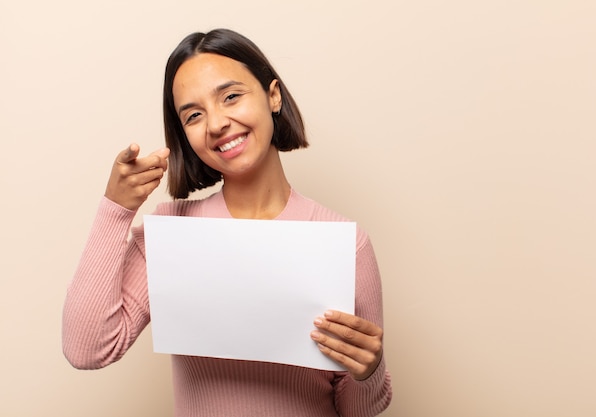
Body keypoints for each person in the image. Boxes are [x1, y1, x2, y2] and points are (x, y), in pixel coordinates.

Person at [62, 28, 392, 417]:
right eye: (194, 115)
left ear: (273, 96)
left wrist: (368, 371)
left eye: (231, 96)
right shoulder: (171, 234)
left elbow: (359, 411)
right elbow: (88, 349)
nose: (216, 123)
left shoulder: (345, 244)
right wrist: (115, 209)